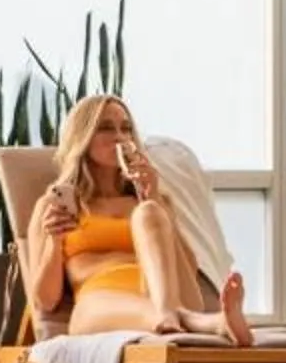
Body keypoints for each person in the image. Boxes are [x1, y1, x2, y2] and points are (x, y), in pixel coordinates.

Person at [22, 93, 253, 344]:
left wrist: (153, 198)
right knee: (116, 305)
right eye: (106, 128)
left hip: (165, 293)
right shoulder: (53, 206)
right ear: (83, 138)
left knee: (148, 213)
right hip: (99, 299)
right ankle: (212, 323)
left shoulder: (148, 200)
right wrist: (54, 241)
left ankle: (170, 313)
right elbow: (46, 300)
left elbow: (187, 269)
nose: (120, 137)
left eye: (127, 129)